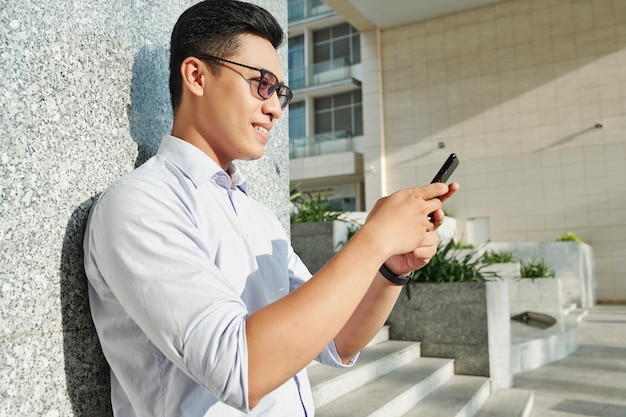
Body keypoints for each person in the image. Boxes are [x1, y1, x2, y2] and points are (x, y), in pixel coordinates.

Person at [83, 0, 459, 416]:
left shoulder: (256, 215)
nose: (276, 108)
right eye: (261, 84)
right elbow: (241, 370)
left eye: (280, 91)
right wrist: (373, 239)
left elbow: (337, 340)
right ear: (196, 76)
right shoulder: (140, 203)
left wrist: (391, 267)